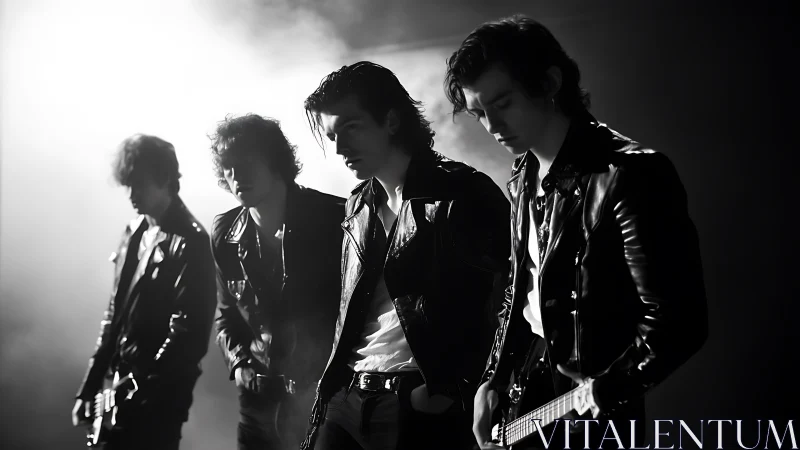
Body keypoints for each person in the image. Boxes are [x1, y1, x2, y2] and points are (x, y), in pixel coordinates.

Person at [444, 15, 709, 449]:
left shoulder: (629, 174)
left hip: (593, 406)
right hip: (527, 386)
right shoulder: (522, 173)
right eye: (479, 114)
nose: (491, 126)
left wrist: (611, 387)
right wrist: (494, 376)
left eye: (503, 103)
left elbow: (678, 322)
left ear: (549, 83)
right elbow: (522, 287)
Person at [300, 61, 511, 450]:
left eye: (351, 127)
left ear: (392, 120)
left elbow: (508, 296)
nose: (340, 148)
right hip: (347, 396)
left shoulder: (463, 192)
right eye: (332, 136)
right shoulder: (358, 206)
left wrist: (456, 386)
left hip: (415, 398)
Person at [72, 134, 217, 449]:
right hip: (120, 392)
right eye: (128, 185)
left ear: (164, 179)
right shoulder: (134, 231)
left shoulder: (191, 241)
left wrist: (135, 384)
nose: (131, 194)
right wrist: (90, 387)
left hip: (158, 403)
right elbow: (114, 315)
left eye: (139, 184)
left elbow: (189, 335)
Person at [209, 114, 345, 450]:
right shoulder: (225, 233)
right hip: (258, 397)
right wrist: (240, 363)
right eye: (228, 167)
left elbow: (359, 309)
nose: (237, 176)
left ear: (274, 161)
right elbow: (226, 315)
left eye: (246, 164)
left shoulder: (334, 217)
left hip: (324, 395)